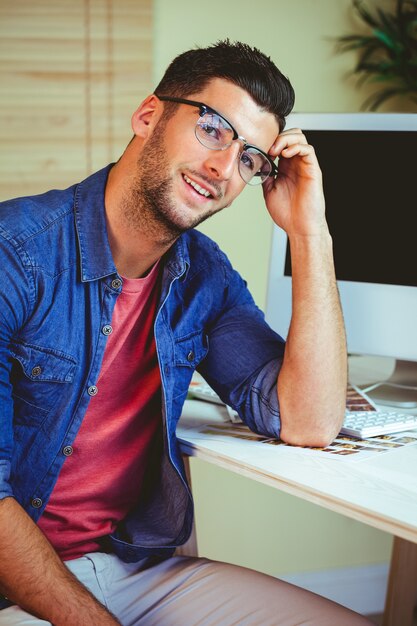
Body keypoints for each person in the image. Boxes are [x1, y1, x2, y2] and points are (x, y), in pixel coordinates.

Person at [0, 40, 371, 625]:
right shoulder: (14, 254)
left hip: (127, 569)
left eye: (250, 158)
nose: (224, 170)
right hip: (18, 586)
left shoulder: (204, 277)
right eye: (213, 130)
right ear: (149, 116)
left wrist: (309, 235)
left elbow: (308, 420)